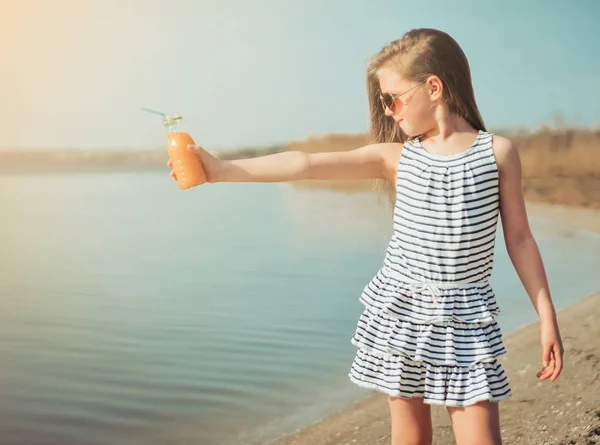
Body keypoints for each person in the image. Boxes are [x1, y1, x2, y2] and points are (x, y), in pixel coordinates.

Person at [168, 28, 564, 445]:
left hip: (465, 319)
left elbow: (519, 239)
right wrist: (221, 170)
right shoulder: (395, 157)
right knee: (409, 437)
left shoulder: (497, 153)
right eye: (382, 101)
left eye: (392, 97)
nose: (388, 111)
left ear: (433, 87)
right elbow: (306, 164)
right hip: (401, 309)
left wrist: (547, 319)